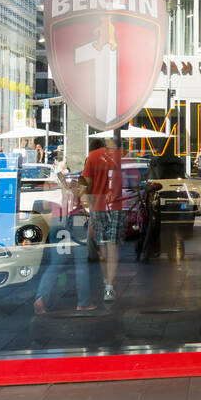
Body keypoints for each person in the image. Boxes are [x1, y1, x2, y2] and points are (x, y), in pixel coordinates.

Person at [33, 175, 95, 314]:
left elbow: (45, 206)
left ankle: (41, 298)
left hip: (57, 220)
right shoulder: (80, 182)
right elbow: (85, 204)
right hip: (77, 221)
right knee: (81, 264)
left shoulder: (53, 182)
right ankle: (83, 302)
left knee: (55, 265)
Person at [81, 132, 125, 301]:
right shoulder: (119, 156)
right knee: (113, 247)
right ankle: (109, 287)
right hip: (115, 206)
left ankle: (106, 281)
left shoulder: (92, 157)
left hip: (98, 206)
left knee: (102, 248)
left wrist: (86, 204)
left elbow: (85, 184)